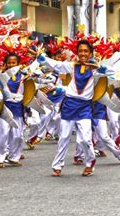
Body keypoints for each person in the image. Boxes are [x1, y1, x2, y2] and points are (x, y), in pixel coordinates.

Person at [37, 40, 104, 177]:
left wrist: (99, 67)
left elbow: (108, 73)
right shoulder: (72, 66)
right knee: (64, 137)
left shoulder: (95, 69)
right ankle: (57, 166)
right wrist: (41, 57)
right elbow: (56, 65)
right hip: (69, 105)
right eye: (80, 51)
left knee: (85, 139)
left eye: (86, 51)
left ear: (90, 53)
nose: (83, 54)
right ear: (77, 53)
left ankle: (90, 162)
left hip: (84, 107)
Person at [0, 53, 25, 167]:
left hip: (18, 108)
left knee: (18, 135)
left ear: (18, 64)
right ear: (6, 64)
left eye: (14, 63)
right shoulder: (1, 76)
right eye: (9, 63)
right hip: (6, 107)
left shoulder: (24, 76)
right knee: (3, 133)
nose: (11, 65)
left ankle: (14, 157)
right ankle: (0, 157)